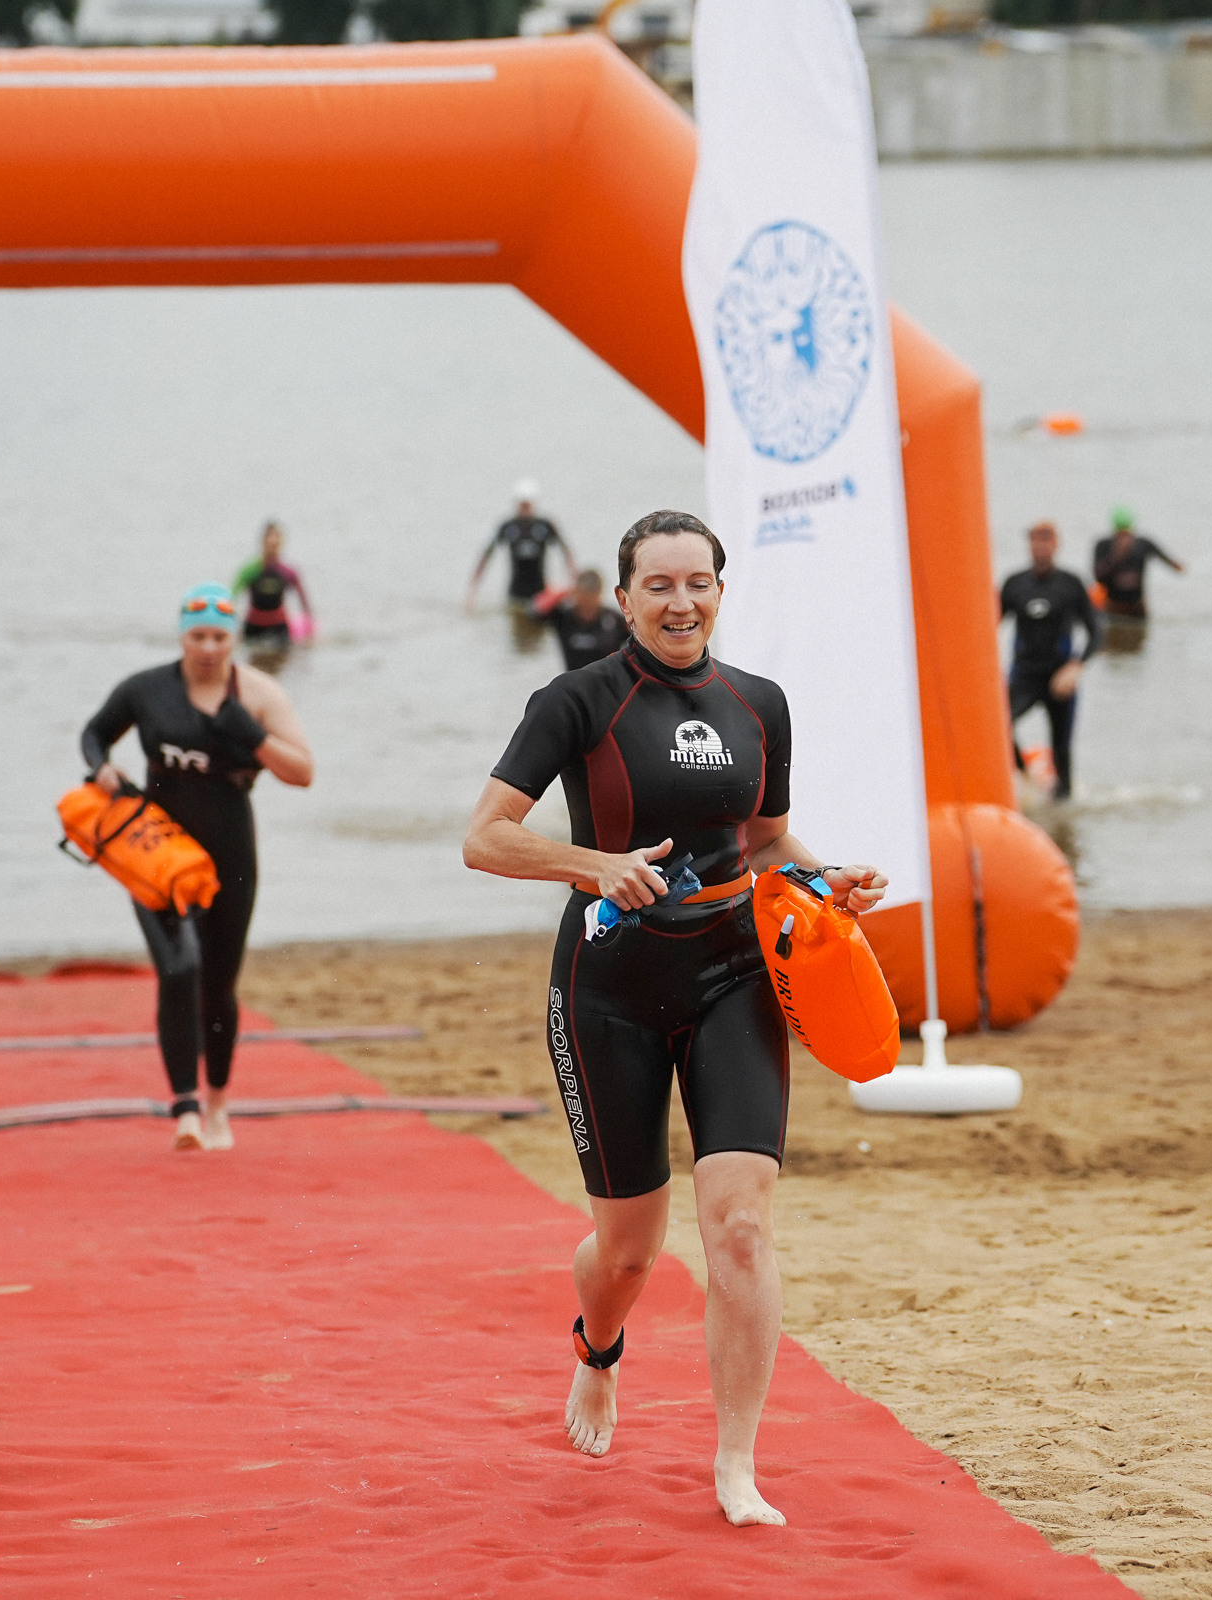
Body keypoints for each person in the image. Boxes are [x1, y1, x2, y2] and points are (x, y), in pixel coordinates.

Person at [463, 509, 886, 1529]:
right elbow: (485, 838)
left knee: (739, 1226)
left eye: (698, 581)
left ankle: (735, 1464)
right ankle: (597, 1350)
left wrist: (824, 878)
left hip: (735, 972)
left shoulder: (760, 704)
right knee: (628, 1252)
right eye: (659, 584)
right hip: (607, 984)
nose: (681, 600)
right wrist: (595, 863)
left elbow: (769, 839)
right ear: (623, 597)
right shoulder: (575, 701)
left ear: (721, 591)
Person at [82, 584, 316, 1152]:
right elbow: (94, 735)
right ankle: (184, 1107)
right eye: (197, 636)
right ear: (182, 636)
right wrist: (102, 770)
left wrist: (253, 736)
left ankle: (217, 1103)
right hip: (157, 851)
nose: (208, 647)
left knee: (217, 983)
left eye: (218, 636)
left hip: (231, 851)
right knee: (177, 969)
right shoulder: (147, 690)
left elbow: (303, 771)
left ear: (232, 638)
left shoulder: (258, 694)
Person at [999, 521, 1099, 803]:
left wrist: (1076, 667)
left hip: (1060, 679)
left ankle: (1062, 811)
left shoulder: (1070, 584)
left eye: (1046, 541)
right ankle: (1026, 778)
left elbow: (1096, 632)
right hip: (1025, 675)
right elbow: (986, 626)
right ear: (1029, 545)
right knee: (1000, 727)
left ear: (1056, 545)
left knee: (1062, 750)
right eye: (1035, 541)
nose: (1040, 546)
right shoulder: (1015, 584)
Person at [466, 481, 571, 612]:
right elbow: (487, 554)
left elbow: (566, 551)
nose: (525, 508)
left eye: (528, 505)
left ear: (533, 504)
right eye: (522, 505)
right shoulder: (507, 526)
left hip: (540, 591)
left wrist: (574, 581)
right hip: (516, 592)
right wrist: (473, 591)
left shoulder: (545, 525)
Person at [234, 520, 313, 665]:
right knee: (252, 666)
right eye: (269, 540)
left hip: (279, 627)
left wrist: (309, 623)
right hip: (253, 627)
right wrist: (230, 625)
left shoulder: (288, 572)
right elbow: (232, 597)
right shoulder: (250, 570)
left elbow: (303, 598)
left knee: (282, 664)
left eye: (276, 541)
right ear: (263, 542)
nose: (272, 544)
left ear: (281, 543)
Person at [1091, 506, 1185, 623]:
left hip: (1137, 608)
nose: (1124, 539)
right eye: (1121, 534)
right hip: (1113, 608)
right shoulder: (1104, 545)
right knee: (1113, 637)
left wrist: (1177, 566)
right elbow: (1098, 577)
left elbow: (1166, 559)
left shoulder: (1143, 544)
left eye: (1126, 533)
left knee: (1139, 636)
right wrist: (1117, 557)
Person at [536, 568, 627, 671]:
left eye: (590, 603)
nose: (586, 610)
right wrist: (563, 592)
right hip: (572, 683)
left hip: (607, 683)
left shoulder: (614, 619)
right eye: (583, 602)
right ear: (575, 595)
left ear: (599, 595)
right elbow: (536, 613)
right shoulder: (563, 617)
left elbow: (641, 642)